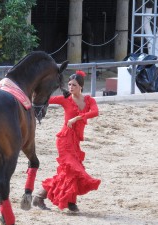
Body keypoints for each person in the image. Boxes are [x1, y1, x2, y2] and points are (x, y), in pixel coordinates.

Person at [32, 70, 101, 212]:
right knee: (75, 170)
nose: (70, 87)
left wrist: (76, 118)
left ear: (81, 86)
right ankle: (66, 202)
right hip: (64, 140)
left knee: (69, 172)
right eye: (69, 85)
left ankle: (51, 199)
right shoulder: (65, 99)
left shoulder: (89, 100)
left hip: (75, 142)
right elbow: (45, 99)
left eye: (74, 85)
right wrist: (35, 90)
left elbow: (95, 112)